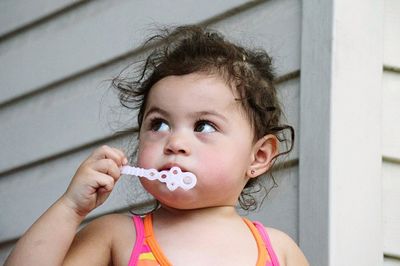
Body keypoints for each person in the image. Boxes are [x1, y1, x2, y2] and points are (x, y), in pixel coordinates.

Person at [5, 25, 308, 266]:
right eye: (159, 125)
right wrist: (70, 208)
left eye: (204, 126)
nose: (174, 142)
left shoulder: (279, 251)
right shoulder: (116, 236)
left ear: (259, 156)